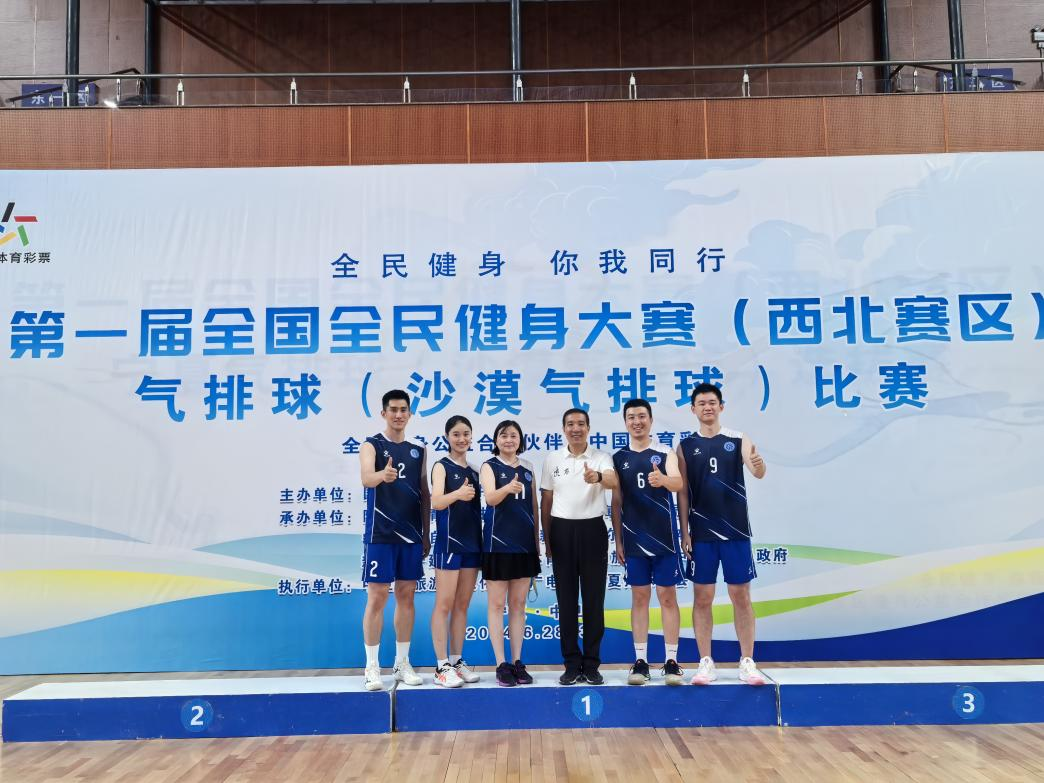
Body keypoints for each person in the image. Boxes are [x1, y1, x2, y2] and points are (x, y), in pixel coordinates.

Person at [678, 383, 767, 686]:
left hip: (735, 531)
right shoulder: (685, 446)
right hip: (701, 533)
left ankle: (747, 661)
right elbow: (682, 493)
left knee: (740, 595)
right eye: (701, 403)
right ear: (693, 409)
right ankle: (706, 662)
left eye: (712, 402)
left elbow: (758, 471)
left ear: (721, 406)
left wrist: (759, 465)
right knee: (702, 597)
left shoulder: (738, 438)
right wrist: (685, 531)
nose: (707, 407)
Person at [358, 389, 430, 692]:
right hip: (381, 534)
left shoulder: (418, 450)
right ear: (384, 413)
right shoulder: (371, 445)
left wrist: (426, 533)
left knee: (406, 596)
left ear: (410, 414)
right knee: (377, 597)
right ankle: (372, 666)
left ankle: (402, 663)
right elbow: (366, 478)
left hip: (410, 535)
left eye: (403, 410)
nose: (398, 415)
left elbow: (424, 493)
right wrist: (382, 476)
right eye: (393, 410)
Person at [539, 408, 618, 685]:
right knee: (567, 601)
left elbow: (613, 481)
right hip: (561, 531)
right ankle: (571, 664)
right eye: (570, 424)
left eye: (581, 424)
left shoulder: (601, 457)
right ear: (564, 429)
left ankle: (592, 664)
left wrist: (597, 477)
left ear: (588, 428)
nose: (576, 428)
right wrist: (547, 539)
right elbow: (546, 502)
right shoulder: (552, 459)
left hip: (593, 531)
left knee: (594, 601)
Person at [610, 399, 685, 686]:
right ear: (625, 422)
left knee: (667, 597)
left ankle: (671, 661)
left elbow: (678, 484)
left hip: (665, 539)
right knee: (639, 598)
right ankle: (640, 661)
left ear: (651, 420)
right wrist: (618, 540)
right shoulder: (619, 458)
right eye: (631, 417)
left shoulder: (665, 452)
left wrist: (663, 479)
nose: (637, 422)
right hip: (634, 539)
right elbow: (616, 502)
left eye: (642, 416)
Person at [479, 419, 541, 687]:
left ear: (520, 440)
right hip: (497, 546)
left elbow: (534, 507)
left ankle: (517, 662)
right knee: (496, 605)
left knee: (518, 606)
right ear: (496, 440)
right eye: (503, 436)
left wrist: (536, 543)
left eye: (513, 436)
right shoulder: (489, 466)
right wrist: (507, 488)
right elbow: (490, 498)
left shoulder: (528, 468)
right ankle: (500, 664)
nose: (509, 440)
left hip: (524, 546)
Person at [429, 415, 482, 688]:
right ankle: (441, 666)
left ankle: (456, 661)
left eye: (466, 434)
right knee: (444, 604)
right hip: (449, 545)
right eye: (456, 434)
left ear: (472, 437)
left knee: (462, 605)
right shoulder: (441, 466)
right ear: (447, 437)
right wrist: (458, 494)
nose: (462, 439)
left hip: (472, 545)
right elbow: (436, 502)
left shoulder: (475, 471)